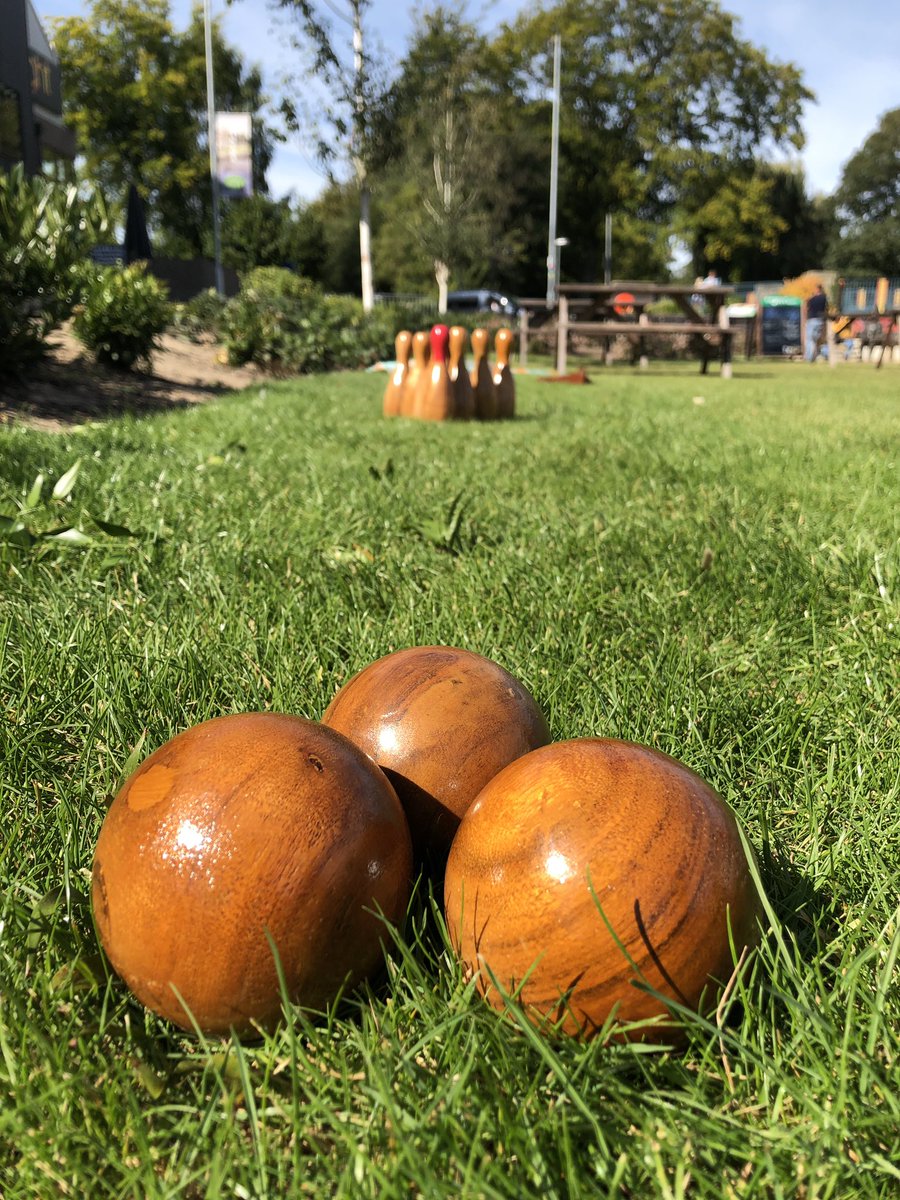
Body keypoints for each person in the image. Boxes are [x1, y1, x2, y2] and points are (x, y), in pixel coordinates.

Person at [805, 284, 828, 361]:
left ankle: (809, 358)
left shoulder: (813, 299)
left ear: (817, 289)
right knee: (815, 339)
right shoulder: (824, 298)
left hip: (812, 320)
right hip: (820, 320)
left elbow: (807, 306)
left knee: (810, 339)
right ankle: (814, 355)